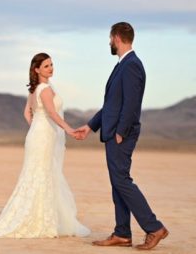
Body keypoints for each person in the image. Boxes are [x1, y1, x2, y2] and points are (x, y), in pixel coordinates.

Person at [0, 53, 90, 238]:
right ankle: (39, 220)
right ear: (36, 69)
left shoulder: (34, 89)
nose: (51, 68)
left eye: (52, 64)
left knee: (39, 174)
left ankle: (42, 217)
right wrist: (69, 130)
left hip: (38, 135)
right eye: (46, 66)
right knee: (40, 174)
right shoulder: (45, 89)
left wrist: (36, 127)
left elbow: (26, 113)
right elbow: (53, 114)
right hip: (42, 136)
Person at [76, 22, 169, 250]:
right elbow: (111, 105)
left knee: (122, 181)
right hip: (112, 132)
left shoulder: (131, 65)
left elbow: (131, 104)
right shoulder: (122, 65)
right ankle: (122, 233)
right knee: (117, 182)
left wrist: (120, 132)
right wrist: (90, 126)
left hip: (120, 135)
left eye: (110, 38)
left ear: (116, 37)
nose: (109, 42)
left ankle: (154, 227)